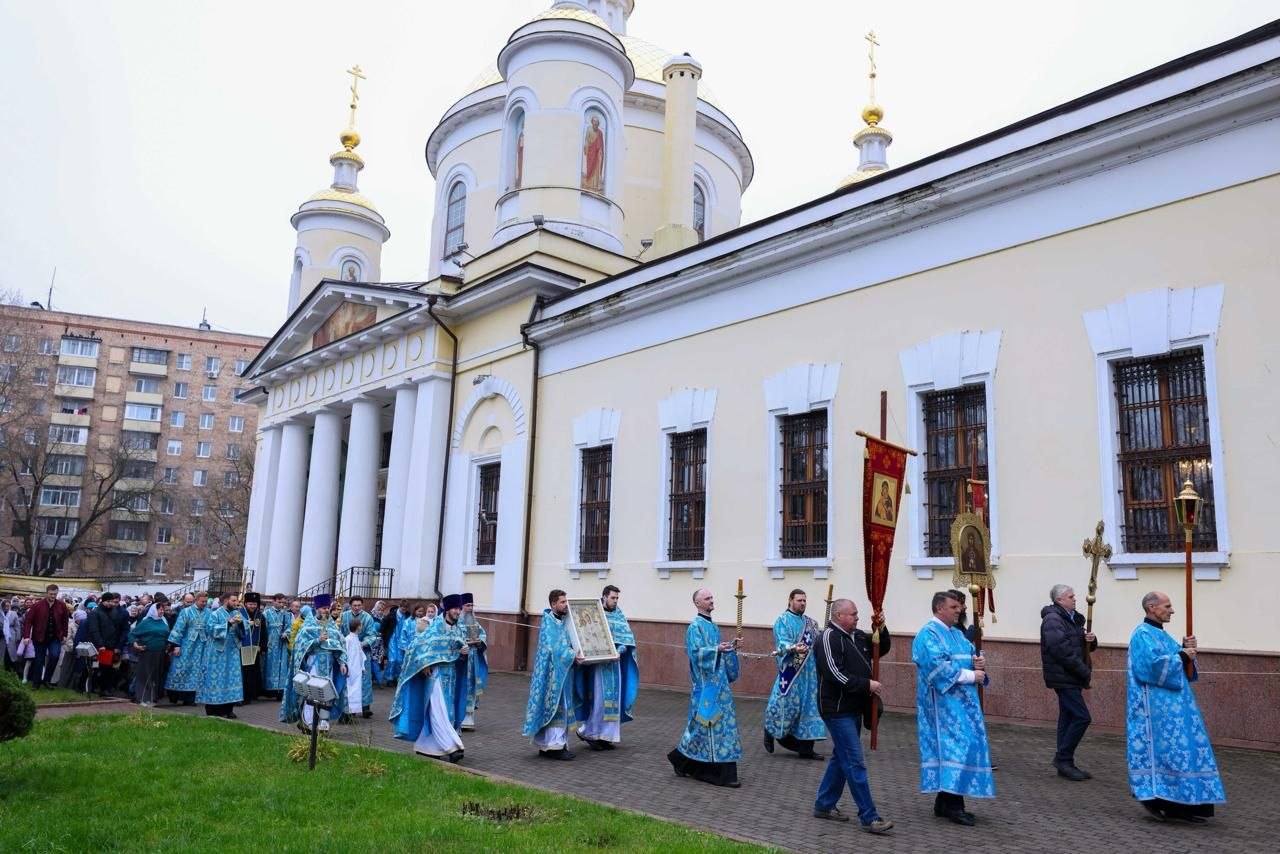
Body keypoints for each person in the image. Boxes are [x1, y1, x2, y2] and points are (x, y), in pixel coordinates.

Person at [1126, 591, 1226, 823]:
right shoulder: (1142, 635)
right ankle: (1165, 802)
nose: (1172, 610)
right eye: (1167, 606)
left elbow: (1177, 662)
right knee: (1167, 754)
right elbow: (1148, 668)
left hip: (1175, 709)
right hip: (1155, 711)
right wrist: (1182, 655)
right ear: (1152, 608)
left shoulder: (1160, 634)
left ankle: (1185, 804)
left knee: (1184, 752)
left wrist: (1184, 649)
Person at [911, 590, 995, 825]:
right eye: (954, 607)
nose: (959, 611)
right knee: (954, 750)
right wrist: (971, 674)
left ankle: (944, 802)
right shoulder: (928, 634)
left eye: (960, 607)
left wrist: (978, 662)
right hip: (942, 707)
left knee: (964, 747)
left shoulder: (957, 635)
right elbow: (938, 669)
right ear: (939, 608)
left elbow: (969, 658)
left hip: (964, 706)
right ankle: (953, 806)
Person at [811, 599, 893, 834]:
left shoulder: (856, 635)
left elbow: (881, 647)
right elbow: (835, 673)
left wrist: (881, 627)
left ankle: (824, 804)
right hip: (836, 710)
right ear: (838, 615)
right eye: (853, 614)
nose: (857, 617)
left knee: (841, 757)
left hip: (855, 708)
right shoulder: (827, 637)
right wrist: (866, 684)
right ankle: (869, 816)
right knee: (854, 761)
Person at [667, 588, 742, 788]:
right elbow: (696, 654)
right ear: (697, 603)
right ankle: (714, 772)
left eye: (711, 597)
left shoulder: (713, 626)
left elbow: (716, 650)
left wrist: (728, 647)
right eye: (707, 598)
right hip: (706, 687)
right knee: (707, 726)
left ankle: (682, 761)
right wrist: (716, 649)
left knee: (712, 726)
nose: (711, 601)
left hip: (720, 687)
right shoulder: (695, 627)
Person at [390, 598, 467, 763]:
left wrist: (464, 653)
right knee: (441, 711)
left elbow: (460, 652)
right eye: (455, 609)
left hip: (451, 676)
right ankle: (453, 747)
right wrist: (424, 665)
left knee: (443, 712)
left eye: (459, 609)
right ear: (447, 610)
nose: (458, 612)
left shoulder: (459, 629)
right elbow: (417, 646)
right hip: (436, 676)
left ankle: (427, 747)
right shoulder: (435, 628)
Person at [1040, 584, 1097, 781]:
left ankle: (1065, 764)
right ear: (1059, 600)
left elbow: (1080, 643)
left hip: (1070, 676)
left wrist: (1091, 639)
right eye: (1071, 596)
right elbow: (1060, 649)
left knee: (1067, 718)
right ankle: (1063, 758)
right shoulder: (1053, 620)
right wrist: (1082, 670)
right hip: (1064, 676)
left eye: (1074, 595)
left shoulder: (1070, 618)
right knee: (1082, 717)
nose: (1075, 599)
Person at [763, 589, 827, 760]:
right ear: (790, 600)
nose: (803, 603)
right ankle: (770, 730)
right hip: (791, 672)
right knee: (783, 704)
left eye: (805, 600)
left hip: (810, 675)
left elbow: (819, 643)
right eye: (799, 600)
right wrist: (793, 648)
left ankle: (806, 749)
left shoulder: (811, 623)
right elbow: (781, 642)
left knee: (808, 709)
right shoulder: (782, 620)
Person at [575, 584, 638, 750]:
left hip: (615, 665)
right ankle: (590, 733)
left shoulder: (619, 615)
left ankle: (606, 736)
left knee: (613, 701)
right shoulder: (595, 613)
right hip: (598, 666)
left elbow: (627, 639)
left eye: (617, 598)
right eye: (612, 598)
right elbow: (587, 635)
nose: (615, 601)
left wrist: (620, 650)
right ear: (604, 597)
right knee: (599, 701)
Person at [522, 589, 583, 760]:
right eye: (562, 602)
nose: (566, 605)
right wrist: (572, 655)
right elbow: (552, 648)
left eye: (566, 601)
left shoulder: (565, 621)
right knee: (555, 709)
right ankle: (554, 747)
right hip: (551, 677)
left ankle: (551, 745)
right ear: (553, 604)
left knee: (561, 709)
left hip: (564, 674)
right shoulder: (548, 622)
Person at [280, 595, 348, 732]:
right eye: (324, 608)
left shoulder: (332, 626)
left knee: (326, 694)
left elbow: (340, 645)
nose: (327, 610)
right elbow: (299, 645)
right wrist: (317, 640)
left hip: (329, 666)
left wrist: (342, 663)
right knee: (312, 693)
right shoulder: (308, 625)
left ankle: (323, 723)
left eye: (328, 608)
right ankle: (308, 723)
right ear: (317, 609)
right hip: (313, 664)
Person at [198, 592, 245, 718]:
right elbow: (210, 629)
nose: (236, 603)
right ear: (226, 601)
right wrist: (228, 623)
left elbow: (245, 629)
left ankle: (228, 709)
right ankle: (213, 710)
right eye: (233, 601)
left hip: (232, 651)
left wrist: (241, 624)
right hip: (217, 652)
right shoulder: (215, 614)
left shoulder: (237, 613)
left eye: (236, 601)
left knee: (230, 679)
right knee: (216, 679)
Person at [20, 583, 71, 690]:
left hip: (55, 637)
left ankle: (47, 680)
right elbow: (28, 621)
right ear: (46, 593)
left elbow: (65, 622)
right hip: (39, 637)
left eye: (55, 594)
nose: (53, 596)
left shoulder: (61, 605)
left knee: (55, 656)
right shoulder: (37, 606)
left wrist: (65, 635)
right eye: (51, 594)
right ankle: (36, 683)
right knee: (39, 660)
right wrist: (26, 636)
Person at [166, 591, 211, 706]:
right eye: (202, 601)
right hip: (186, 645)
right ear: (196, 600)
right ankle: (174, 696)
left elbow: (211, 629)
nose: (204, 603)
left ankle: (190, 698)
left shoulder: (209, 612)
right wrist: (176, 645)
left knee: (196, 672)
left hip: (201, 646)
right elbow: (178, 628)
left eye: (206, 601)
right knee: (180, 669)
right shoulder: (186, 612)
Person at [338, 596, 379, 718]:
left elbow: (372, 635)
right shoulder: (344, 616)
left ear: (362, 605)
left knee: (364, 679)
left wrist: (363, 643)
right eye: (354, 605)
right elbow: (339, 632)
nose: (356, 608)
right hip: (347, 651)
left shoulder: (367, 617)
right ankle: (347, 707)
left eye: (359, 605)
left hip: (362, 652)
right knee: (348, 679)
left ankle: (365, 706)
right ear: (350, 605)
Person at [84, 591, 129, 697]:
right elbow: (94, 630)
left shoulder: (115, 612)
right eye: (108, 601)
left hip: (111, 645)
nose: (110, 604)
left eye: (111, 601)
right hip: (99, 646)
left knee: (107, 669)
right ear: (102, 601)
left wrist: (118, 646)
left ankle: (105, 689)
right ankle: (90, 687)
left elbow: (119, 629)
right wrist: (100, 644)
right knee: (94, 668)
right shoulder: (95, 613)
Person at [129, 598, 170, 707]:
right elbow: (133, 634)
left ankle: (153, 698)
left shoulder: (163, 621)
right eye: (159, 609)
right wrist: (135, 644)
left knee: (156, 676)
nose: (162, 611)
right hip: (147, 652)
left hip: (160, 653)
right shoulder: (146, 622)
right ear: (153, 610)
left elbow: (167, 634)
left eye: (163, 609)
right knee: (145, 675)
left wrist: (168, 644)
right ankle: (142, 698)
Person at [458, 593, 488, 731]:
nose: (470, 608)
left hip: (473, 660)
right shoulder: (456, 622)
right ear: (461, 606)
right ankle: (458, 717)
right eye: (467, 605)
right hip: (461, 662)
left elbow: (482, 635)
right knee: (461, 687)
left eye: (471, 605)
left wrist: (479, 641)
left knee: (471, 688)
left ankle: (469, 720)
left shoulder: (475, 622)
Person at [261, 593, 291, 700]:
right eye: (279, 602)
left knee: (281, 665)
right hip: (270, 642)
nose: (281, 604)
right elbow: (263, 629)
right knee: (269, 665)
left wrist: (286, 633)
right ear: (274, 601)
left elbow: (289, 626)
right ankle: (268, 690)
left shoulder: (286, 614)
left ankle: (280, 689)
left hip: (281, 644)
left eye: (283, 602)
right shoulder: (266, 613)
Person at [238, 592, 265, 703]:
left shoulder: (260, 616)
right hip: (241, 648)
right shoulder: (240, 614)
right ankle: (242, 695)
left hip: (255, 649)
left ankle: (251, 694)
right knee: (243, 673)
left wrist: (262, 646)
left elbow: (264, 632)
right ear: (245, 603)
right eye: (250, 604)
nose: (252, 606)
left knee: (253, 673)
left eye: (254, 604)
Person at [343, 613, 367, 718]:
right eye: (360, 625)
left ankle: (353, 712)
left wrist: (362, 667)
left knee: (356, 690)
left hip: (357, 670)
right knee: (349, 690)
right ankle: (347, 712)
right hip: (350, 669)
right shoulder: (348, 639)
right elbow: (345, 654)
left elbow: (360, 655)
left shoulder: (356, 639)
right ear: (357, 627)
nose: (361, 627)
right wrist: (346, 667)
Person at [2, 597, 22, 674]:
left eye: (8, 606)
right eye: (5, 606)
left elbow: (17, 626)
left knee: (11, 654)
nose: (7, 607)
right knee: (3, 653)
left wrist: (18, 637)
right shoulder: (0, 614)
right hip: (2, 637)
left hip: (11, 636)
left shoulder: (13, 614)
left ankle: (12, 671)